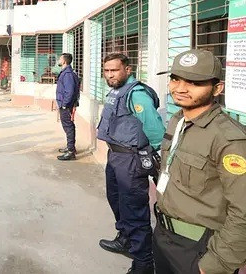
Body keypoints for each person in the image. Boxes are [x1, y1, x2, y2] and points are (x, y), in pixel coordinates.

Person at [153, 49, 246, 274]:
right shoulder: (178, 120)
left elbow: (243, 210)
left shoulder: (228, 138)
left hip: (200, 249)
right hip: (164, 235)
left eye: (194, 82)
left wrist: (214, 265)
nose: (180, 88)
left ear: (217, 88)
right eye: (175, 79)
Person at [97, 53, 165, 274]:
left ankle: (143, 264)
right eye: (106, 71)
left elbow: (155, 131)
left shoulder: (136, 94)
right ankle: (125, 239)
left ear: (127, 69)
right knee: (116, 200)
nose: (110, 75)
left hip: (131, 160)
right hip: (115, 156)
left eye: (114, 70)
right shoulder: (117, 90)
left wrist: (156, 160)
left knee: (134, 210)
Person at [56, 53, 81, 161]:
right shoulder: (66, 73)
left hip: (66, 105)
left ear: (64, 61)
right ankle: (70, 147)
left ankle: (71, 151)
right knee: (67, 126)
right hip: (65, 104)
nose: (58, 60)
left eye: (60, 58)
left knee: (68, 127)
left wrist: (65, 105)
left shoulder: (68, 74)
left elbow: (69, 91)